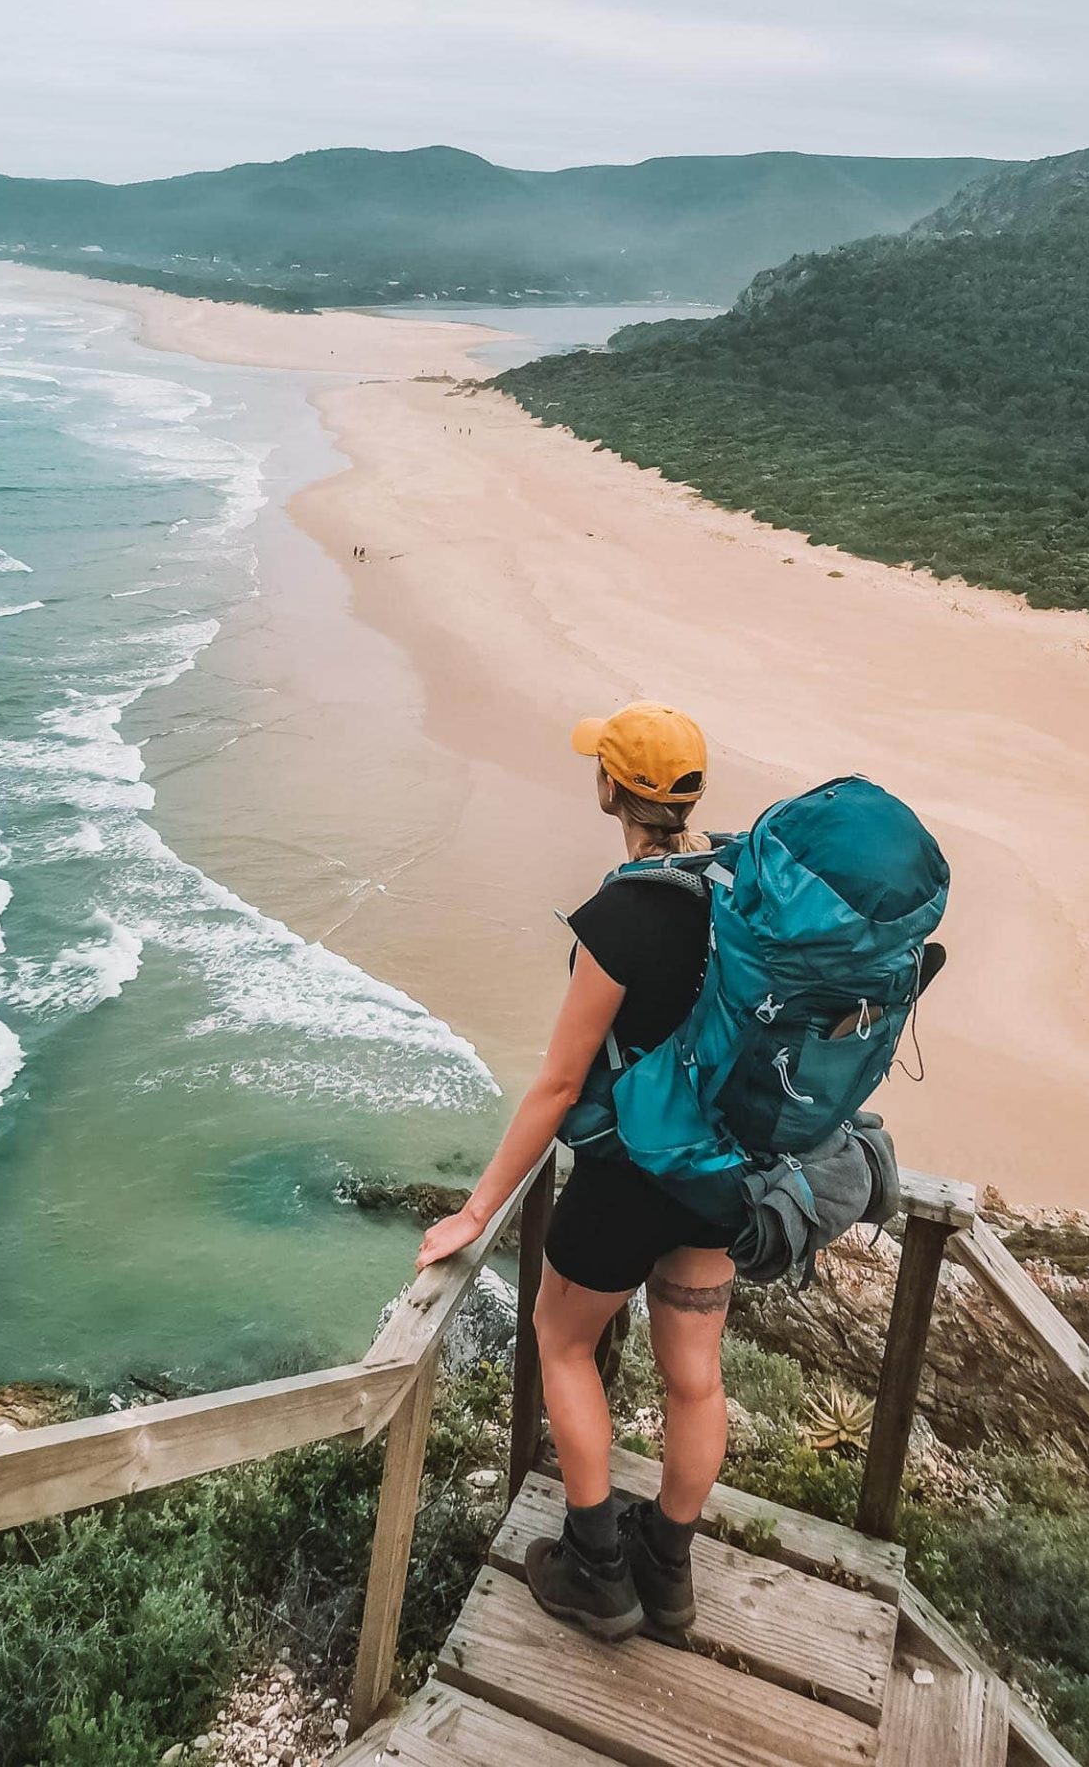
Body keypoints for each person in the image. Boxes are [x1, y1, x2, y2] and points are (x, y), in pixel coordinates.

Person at [416, 701, 732, 1643]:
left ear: (611, 789)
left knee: (561, 1345)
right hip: (715, 1176)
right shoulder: (737, 895)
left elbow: (558, 1085)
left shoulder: (618, 918)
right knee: (695, 1376)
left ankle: (599, 1569)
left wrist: (478, 1209)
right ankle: (668, 1574)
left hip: (628, 1178)